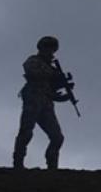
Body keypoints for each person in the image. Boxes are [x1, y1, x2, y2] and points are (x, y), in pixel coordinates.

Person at [12, 35, 73, 170]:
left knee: (57, 137)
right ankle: (18, 162)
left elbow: (51, 90)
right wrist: (53, 75)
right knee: (26, 131)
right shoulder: (34, 61)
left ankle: (52, 166)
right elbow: (31, 71)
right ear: (42, 48)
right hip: (33, 99)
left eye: (52, 49)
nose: (50, 52)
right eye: (48, 48)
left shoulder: (51, 68)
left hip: (46, 104)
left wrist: (64, 91)